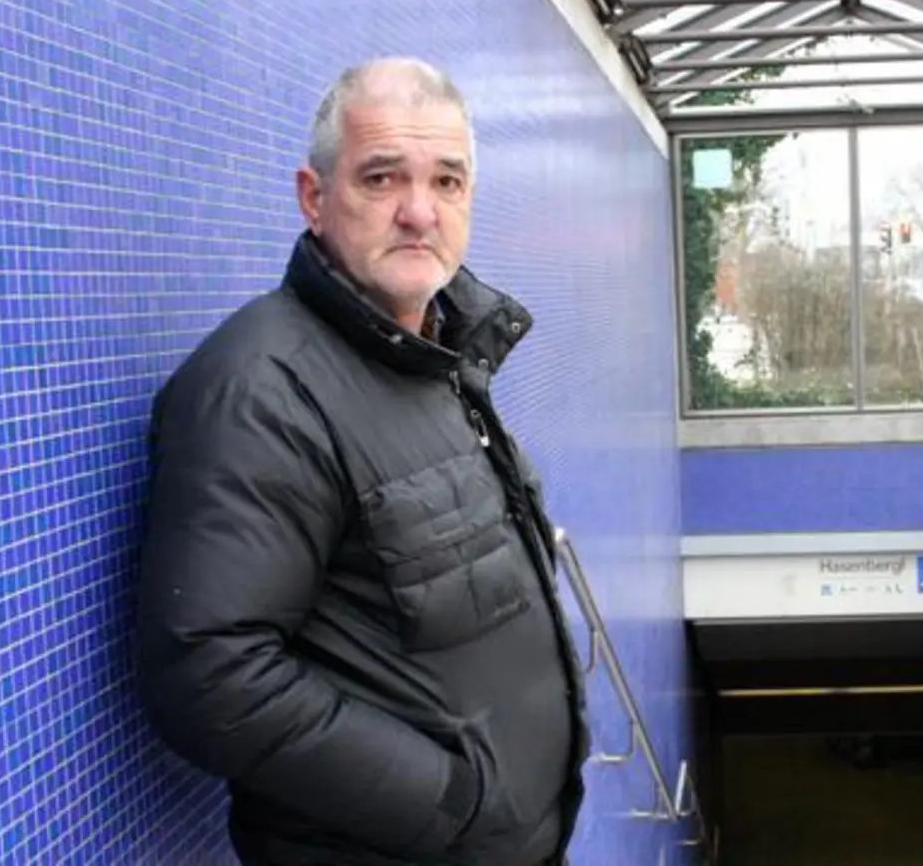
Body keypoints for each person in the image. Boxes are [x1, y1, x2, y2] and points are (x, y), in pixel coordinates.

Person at [134, 57, 588, 866]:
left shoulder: (435, 355)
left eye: (447, 182)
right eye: (382, 178)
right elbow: (209, 672)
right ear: (315, 198)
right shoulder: (262, 390)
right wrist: (457, 803)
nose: (420, 211)